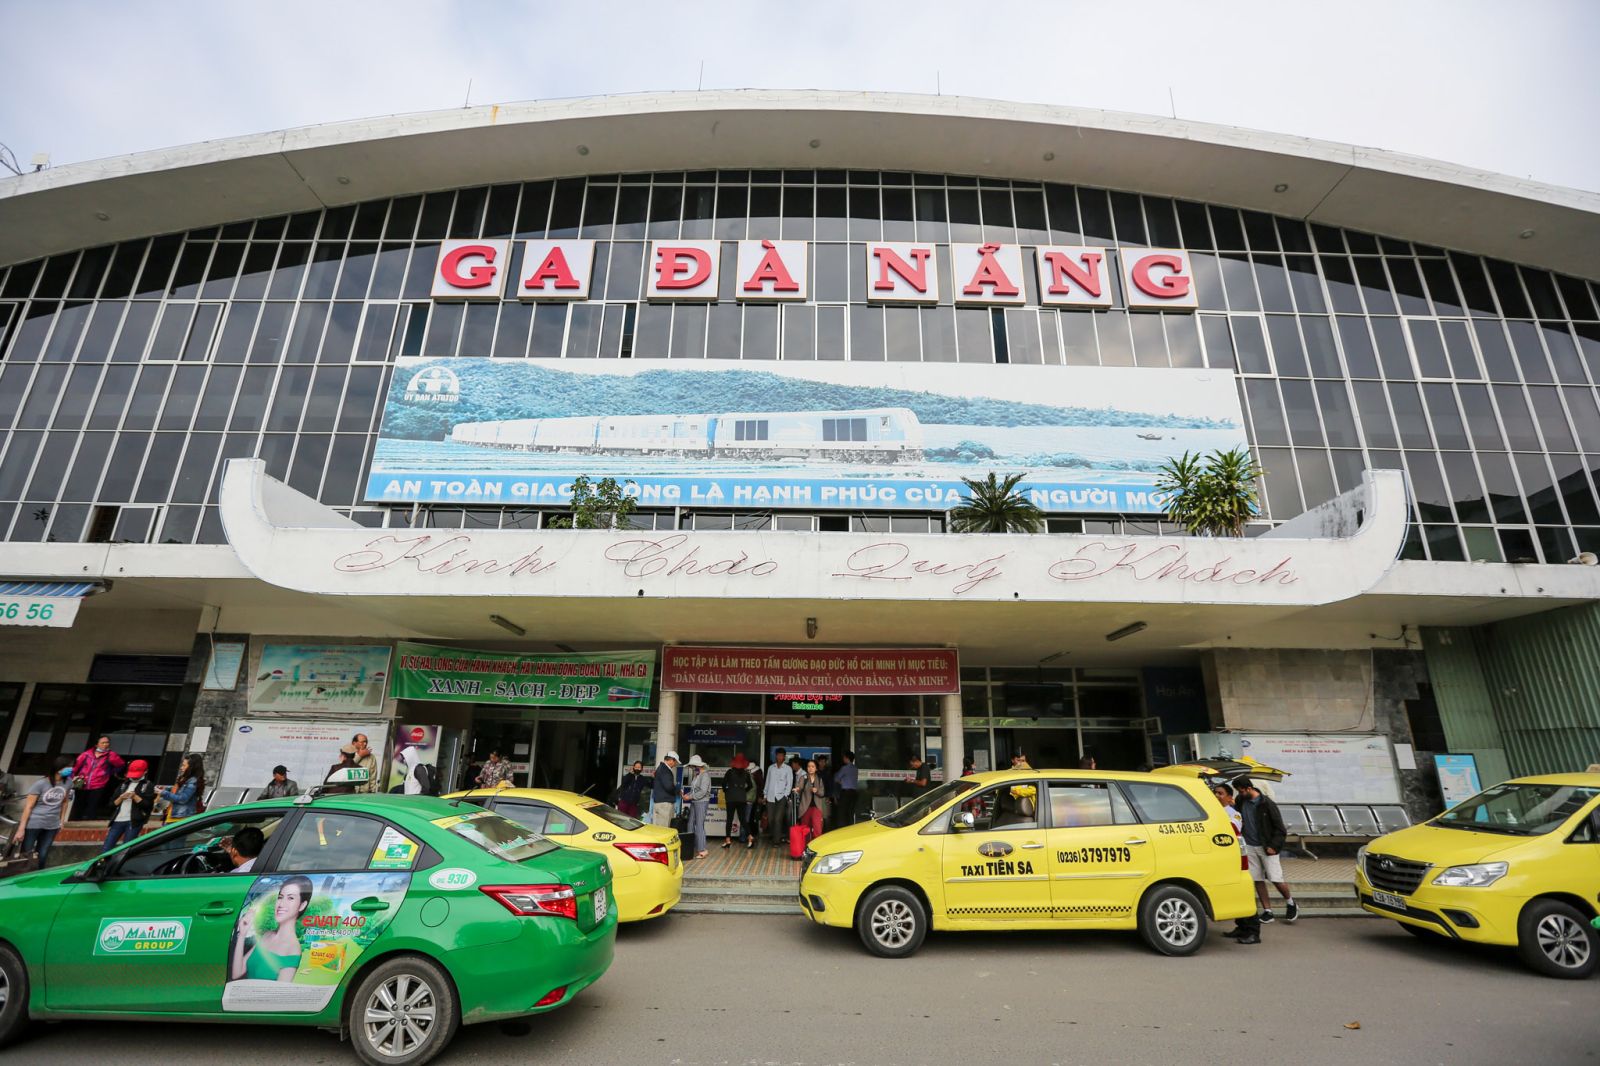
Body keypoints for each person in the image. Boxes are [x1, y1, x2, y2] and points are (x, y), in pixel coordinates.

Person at [1235, 776, 1297, 923]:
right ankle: (1267, 911)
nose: (1239, 794)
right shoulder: (1240, 800)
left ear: (1249, 788)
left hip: (1267, 847)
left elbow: (1280, 829)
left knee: (1275, 878)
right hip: (1249, 845)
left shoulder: (1266, 804)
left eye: (1241, 791)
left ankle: (1290, 902)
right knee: (1257, 879)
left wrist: (1273, 846)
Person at [231, 875, 312, 982]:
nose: (281, 904)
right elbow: (237, 973)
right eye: (280, 897)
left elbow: (279, 995)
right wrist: (242, 934)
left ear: (302, 905)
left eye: (290, 898)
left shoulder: (292, 950)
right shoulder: (267, 935)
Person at [1213, 782, 1261, 945]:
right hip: (1220, 858)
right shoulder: (1213, 812)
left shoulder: (1233, 814)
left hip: (1233, 857)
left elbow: (1233, 830)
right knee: (1232, 893)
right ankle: (1241, 926)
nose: (1217, 796)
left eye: (1220, 793)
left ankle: (1253, 931)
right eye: (1215, 793)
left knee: (1242, 892)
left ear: (1229, 797)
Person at [12, 766, 74, 865]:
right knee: (26, 854)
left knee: (42, 854)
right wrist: (21, 828)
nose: (71, 769)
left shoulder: (69, 782)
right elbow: (29, 807)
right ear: (58, 768)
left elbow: (65, 802)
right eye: (67, 766)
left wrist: (61, 821)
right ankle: (23, 876)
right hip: (34, 824)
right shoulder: (41, 783)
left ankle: (37, 876)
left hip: (52, 825)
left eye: (72, 766)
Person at [103, 759, 155, 851]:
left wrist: (135, 796)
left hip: (134, 821)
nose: (134, 777)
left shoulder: (148, 785)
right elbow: (111, 804)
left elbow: (147, 806)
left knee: (126, 849)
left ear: (145, 771)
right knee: (106, 848)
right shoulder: (124, 785)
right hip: (118, 820)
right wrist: (121, 797)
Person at [72, 734, 126, 820]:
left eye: (107, 742)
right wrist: (72, 778)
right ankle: (74, 821)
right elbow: (75, 767)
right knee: (78, 805)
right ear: (96, 744)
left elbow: (121, 765)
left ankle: (89, 824)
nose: (105, 744)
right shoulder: (86, 754)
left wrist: (109, 772)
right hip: (81, 782)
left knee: (93, 806)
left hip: (98, 783)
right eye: (103, 743)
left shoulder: (111, 755)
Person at [158, 753, 206, 820]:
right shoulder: (184, 778)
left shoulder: (193, 781)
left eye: (184, 765)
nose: (181, 768)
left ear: (191, 767)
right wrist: (165, 789)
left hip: (182, 817)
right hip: (173, 814)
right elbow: (178, 791)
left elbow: (183, 799)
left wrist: (164, 793)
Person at [721, 753, 753, 848]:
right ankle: (750, 837)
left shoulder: (729, 772)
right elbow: (750, 786)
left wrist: (727, 791)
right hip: (741, 798)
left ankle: (728, 840)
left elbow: (723, 784)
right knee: (743, 819)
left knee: (729, 819)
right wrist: (743, 791)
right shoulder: (746, 773)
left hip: (730, 798)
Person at [764, 748, 794, 847]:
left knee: (777, 819)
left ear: (784, 757)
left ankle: (776, 841)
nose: (780, 757)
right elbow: (767, 782)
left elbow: (789, 783)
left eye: (782, 755)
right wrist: (765, 795)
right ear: (776, 756)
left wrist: (786, 795)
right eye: (778, 755)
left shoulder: (788, 769)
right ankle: (775, 835)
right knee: (771, 819)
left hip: (781, 797)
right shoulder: (771, 768)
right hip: (770, 796)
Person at [684, 754, 712, 859]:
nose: (691, 768)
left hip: (701, 802)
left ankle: (702, 849)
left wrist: (690, 796)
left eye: (692, 766)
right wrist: (688, 795)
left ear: (698, 765)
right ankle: (690, 846)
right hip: (695, 801)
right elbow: (694, 789)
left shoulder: (705, 775)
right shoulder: (697, 775)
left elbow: (703, 791)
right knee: (690, 823)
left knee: (699, 825)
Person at [795, 759, 826, 840]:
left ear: (816, 768)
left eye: (813, 766)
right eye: (809, 766)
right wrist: (797, 789)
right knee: (805, 830)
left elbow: (822, 793)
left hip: (817, 807)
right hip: (805, 807)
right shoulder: (804, 778)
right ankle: (806, 849)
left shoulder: (819, 779)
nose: (810, 768)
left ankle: (817, 848)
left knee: (817, 830)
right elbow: (800, 786)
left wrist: (817, 791)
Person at [651, 751, 682, 828]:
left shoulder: (661, 768)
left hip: (660, 802)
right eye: (675, 762)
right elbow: (669, 786)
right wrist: (678, 791)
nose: (675, 765)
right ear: (671, 760)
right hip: (664, 804)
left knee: (658, 828)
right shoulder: (665, 770)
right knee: (663, 829)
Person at [834, 750, 859, 827]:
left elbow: (836, 778)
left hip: (846, 793)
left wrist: (842, 782)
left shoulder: (844, 768)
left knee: (842, 813)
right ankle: (850, 829)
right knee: (850, 813)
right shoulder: (855, 769)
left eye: (844, 757)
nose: (843, 759)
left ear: (847, 758)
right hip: (854, 793)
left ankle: (842, 830)